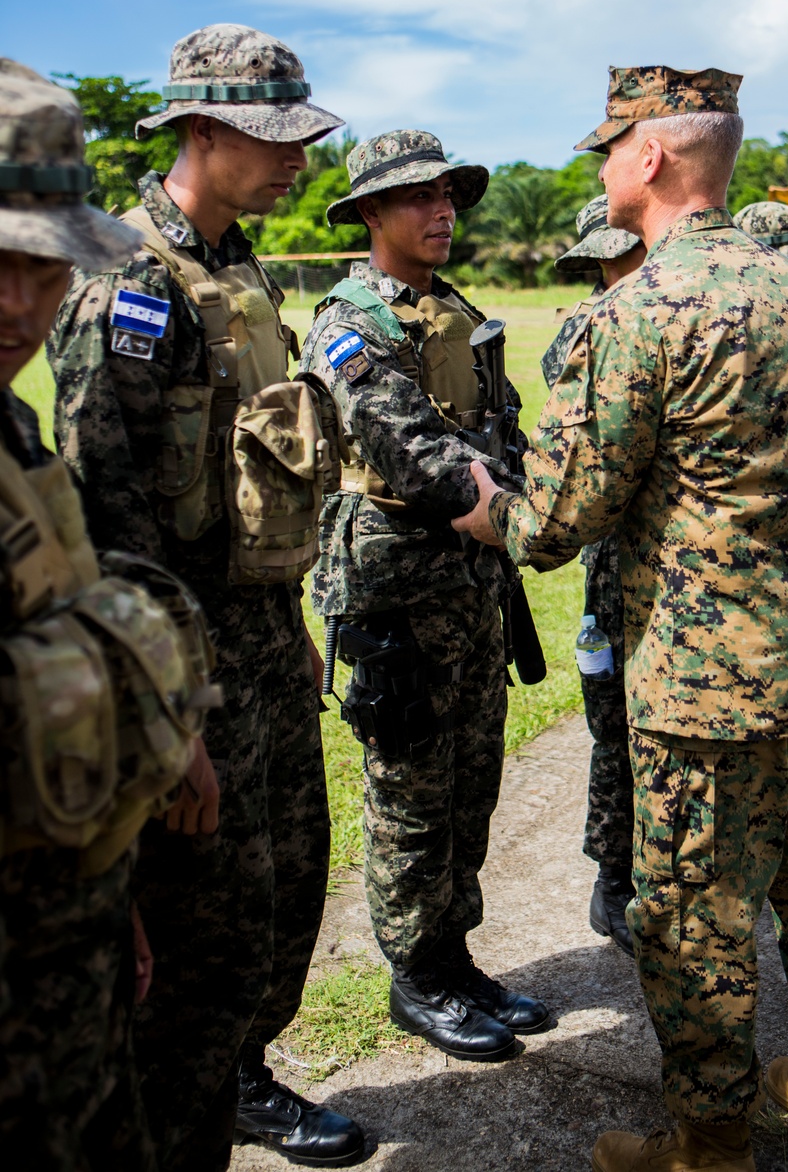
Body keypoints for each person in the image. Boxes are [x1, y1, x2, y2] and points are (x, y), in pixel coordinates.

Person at [455, 64, 788, 1172]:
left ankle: (707, 1145)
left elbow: (561, 520)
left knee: (692, 919)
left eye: (609, 148)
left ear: (649, 156)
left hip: (713, 682)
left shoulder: (637, 311)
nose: (603, 168)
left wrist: (484, 512)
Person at [47, 25, 367, 1170]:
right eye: (274, 139)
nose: (297, 161)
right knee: (198, 935)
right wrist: (167, 711)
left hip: (265, 638)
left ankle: (238, 1077)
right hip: (188, 665)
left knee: (276, 900)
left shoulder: (240, 267)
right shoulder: (130, 281)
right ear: (200, 129)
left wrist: (298, 621)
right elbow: (103, 511)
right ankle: (182, 1108)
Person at [0, 61, 213, 1170]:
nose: (19, 305)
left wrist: (106, 890)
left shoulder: (14, 441)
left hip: (64, 982)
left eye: (43, 266)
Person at [299, 129, 549, 1062]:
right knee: (409, 787)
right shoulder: (352, 321)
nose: (441, 211)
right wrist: (525, 513)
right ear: (371, 213)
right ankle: (416, 977)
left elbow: (502, 424)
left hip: (472, 581)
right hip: (395, 583)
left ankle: (455, 953)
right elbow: (416, 452)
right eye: (417, 198)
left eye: (448, 195)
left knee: (471, 775)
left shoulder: (455, 310)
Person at [542, 194, 645, 954]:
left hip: (672, 563)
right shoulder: (588, 328)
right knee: (617, 726)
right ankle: (613, 880)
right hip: (617, 562)